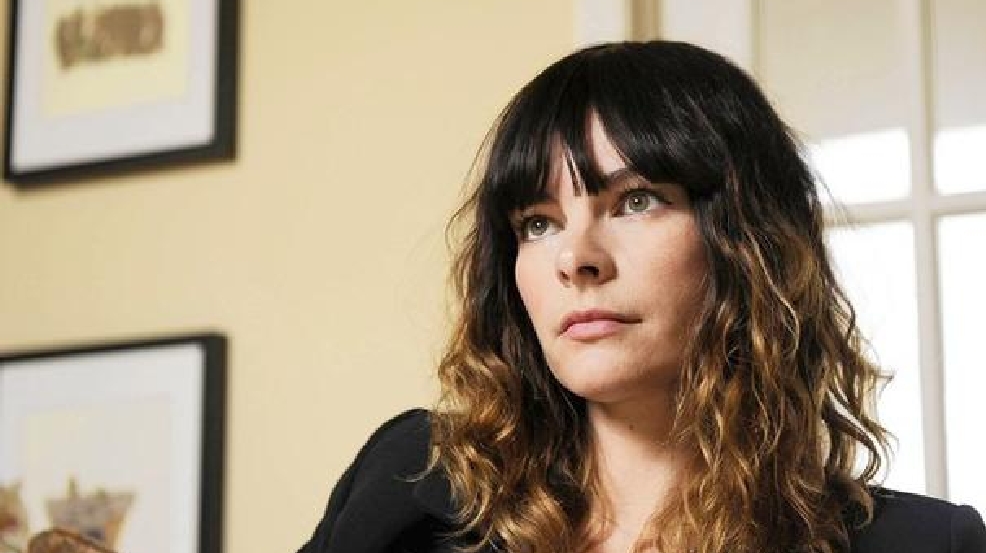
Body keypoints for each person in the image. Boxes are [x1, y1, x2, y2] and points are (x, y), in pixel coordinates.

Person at [296, 40, 986, 553]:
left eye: (636, 201)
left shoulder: (928, 543)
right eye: (538, 223)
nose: (575, 258)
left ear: (747, 241)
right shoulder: (410, 483)